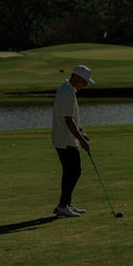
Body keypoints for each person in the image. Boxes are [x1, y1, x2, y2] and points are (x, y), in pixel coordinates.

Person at [52, 65, 94, 218]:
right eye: (85, 81)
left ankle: (66, 204)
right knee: (73, 172)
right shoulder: (66, 93)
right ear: (77, 77)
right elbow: (68, 121)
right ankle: (63, 206)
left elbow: (73, 119)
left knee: (72, 172)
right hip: (65, 140)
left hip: (66, 138)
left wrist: (82, 133)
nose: (86, 85)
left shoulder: (68, 90)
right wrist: (81, 140)